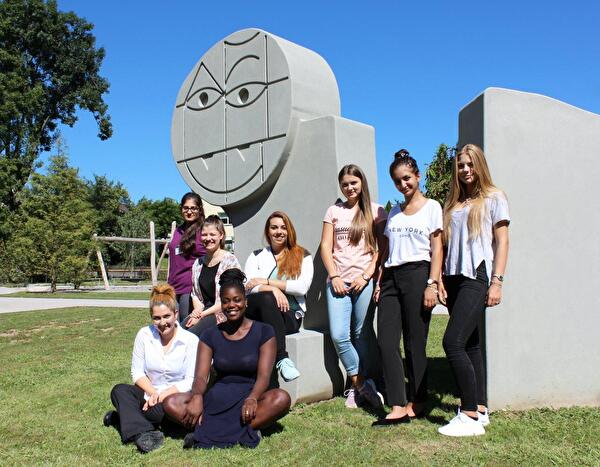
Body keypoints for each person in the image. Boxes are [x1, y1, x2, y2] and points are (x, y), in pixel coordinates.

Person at [165, 269, 292, 449]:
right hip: (218, 396)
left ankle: (206, 430)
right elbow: (201, 377)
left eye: (237, 300)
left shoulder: (264, 332)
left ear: (246, 302)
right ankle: (242, 430)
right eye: (226, 301)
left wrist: (253, 398)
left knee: (281, 398)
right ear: (221, 305)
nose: (231, 305)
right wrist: (197, 396)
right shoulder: (210, 335)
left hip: (249, 395)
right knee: (171, 402)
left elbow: (264, 376)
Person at [437, 144, 510, 437]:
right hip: (453, 276)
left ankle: (467, 413)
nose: (465, 170)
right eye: (460, 165)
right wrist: (440, 279)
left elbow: (502, 242)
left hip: (476, 274)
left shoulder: (494, 197)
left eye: (470, 164)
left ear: (479, 165)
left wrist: (497, 281)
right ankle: (479, 409)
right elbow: (445, 244)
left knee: (452, 342)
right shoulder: (454, 202)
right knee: (471, 344)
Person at [371, 150, 443, 427]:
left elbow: (437, 249)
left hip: (418, 274)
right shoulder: (394, 212)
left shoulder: (432, 207)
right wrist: (379, 280)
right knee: (386, 341)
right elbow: (388, 249)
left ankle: (418, 400)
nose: (403, 185)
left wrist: (431, 284)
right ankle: (398, 404)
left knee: (415, 343)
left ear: (418, 176)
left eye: (407, 179)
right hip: (390, 277)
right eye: (398, 181)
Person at [320, 164, 388, 409]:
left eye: (353, 183)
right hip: (337, 282)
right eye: (345, 184)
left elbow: (381, 248)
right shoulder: (333, 211)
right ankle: (360, 384)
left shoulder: (376, 210)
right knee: (340, 335)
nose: (349, 188)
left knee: (362, 334)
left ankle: (365, 382)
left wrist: (367, 275)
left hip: (363, 282)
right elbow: (325, 247)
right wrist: (334, 276)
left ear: (362, 183)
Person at [104, 284, 199, 453]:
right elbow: (137, 372)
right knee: (120, 391)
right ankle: (144, 433)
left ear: (176, 314)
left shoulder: (191, 340)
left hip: (174, 398)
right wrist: (153, 393)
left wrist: (162, 396)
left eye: (166, 316)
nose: (162, 323)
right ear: (151, 318)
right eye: (156, 318)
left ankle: (122, 418)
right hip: (150, 394)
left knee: (165, 408)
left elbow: (191, 380)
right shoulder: (144, 335)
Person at [244, 211, 314, 382]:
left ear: (289, 230)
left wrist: (268, 282)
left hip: (288, 316)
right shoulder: (257, 255)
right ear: (268, 231)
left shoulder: (302, 255)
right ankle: (282, 358)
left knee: (266, 298)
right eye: (274, 227)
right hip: (259, 314)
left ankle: (281, 358)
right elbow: (248, 287)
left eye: (283, 228)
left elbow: (302, 287)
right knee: (266, 298)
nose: (279, 231)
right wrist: (272, 290)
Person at [185, 215, 241, 337]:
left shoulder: (230, 261)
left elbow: (229, 299)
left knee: (189, 336)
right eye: (204, 235)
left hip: (223, 314)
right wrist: (197, 312)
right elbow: (195, 294)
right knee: (177, 332)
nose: (208, 238)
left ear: (221, 235)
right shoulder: (198, 263)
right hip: (203, 312)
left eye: (212, 234)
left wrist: (201, 315)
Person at [168, 192, 207, 323]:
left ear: (199, 209)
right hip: (173, 287)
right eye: (186, 208)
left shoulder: (203, 231)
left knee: (186, 327)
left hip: (189, 290)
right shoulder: (178, 230)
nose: (189, 211)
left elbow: (208, 259)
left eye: (193, 208)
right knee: (173, 327)